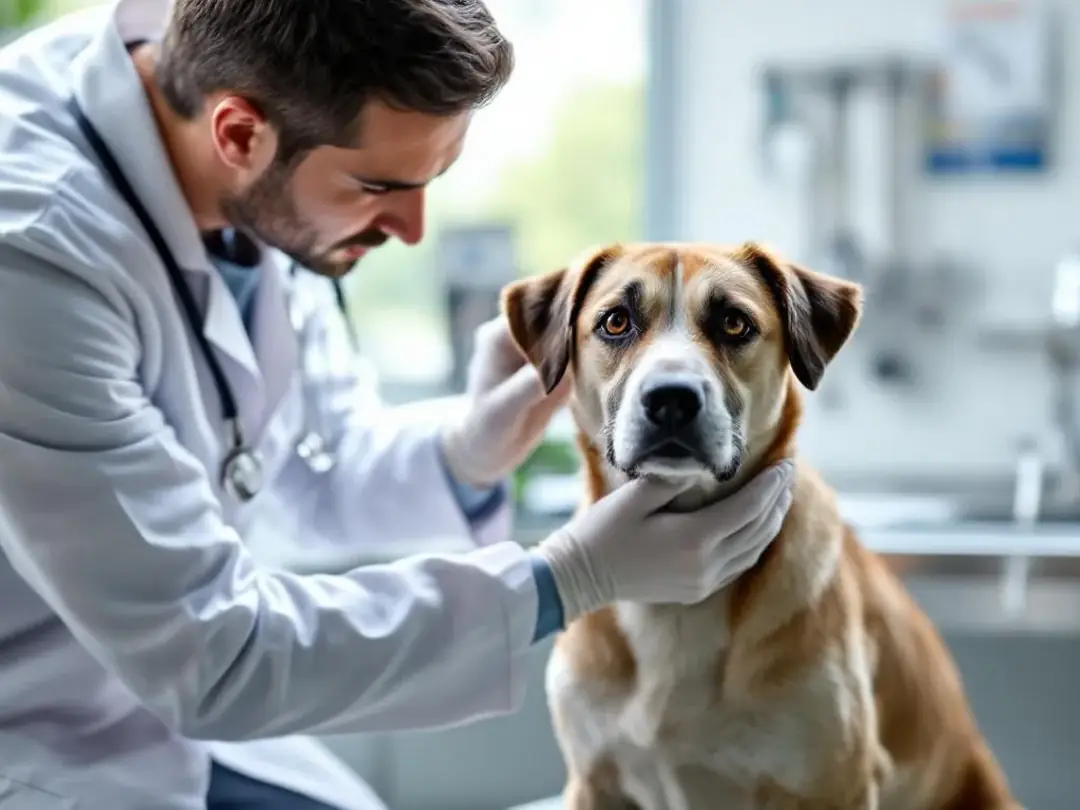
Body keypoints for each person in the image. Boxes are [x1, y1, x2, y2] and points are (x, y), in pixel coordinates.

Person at [0, 1, 796, 808]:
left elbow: (306, 467)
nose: (411, 230)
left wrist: (465, 452)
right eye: (378, 185)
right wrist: (563, 581)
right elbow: (214, 654)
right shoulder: (30, 256)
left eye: (430, 183)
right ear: (238, 134)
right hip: (38, 744)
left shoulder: (245, 144)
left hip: (159, 715)